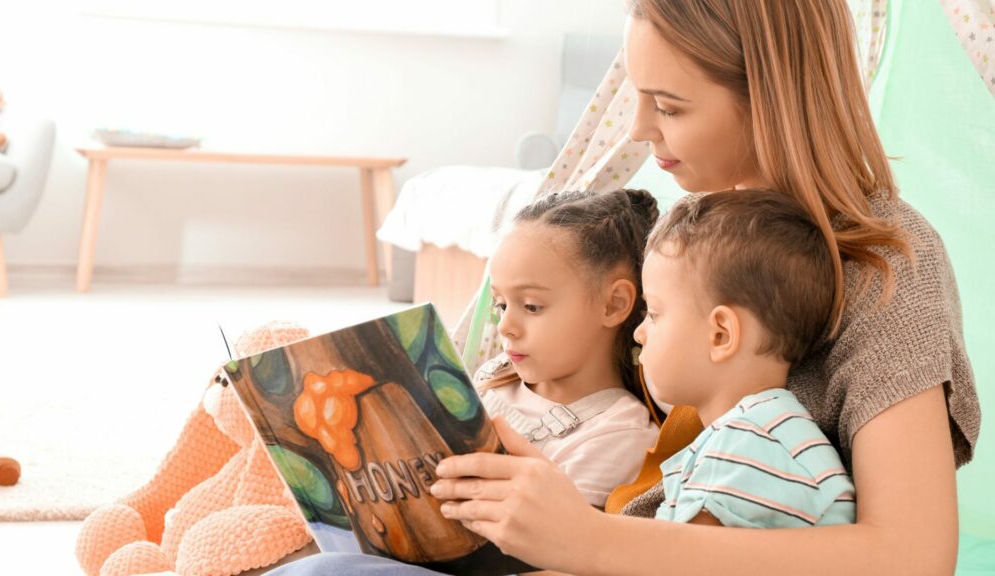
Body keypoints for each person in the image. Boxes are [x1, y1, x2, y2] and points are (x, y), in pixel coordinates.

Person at [268, 1, 980, 574]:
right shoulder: (691, 226)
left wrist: (588, 541)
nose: (639, 131)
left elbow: (912, 556)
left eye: (668, 106)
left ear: (769, 97)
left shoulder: (888, 263)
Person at [636, 189, 854, 528]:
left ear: (721, 334)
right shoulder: (758, 434)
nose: (639, 333)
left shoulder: (747, 445)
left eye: (653, 313)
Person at [473, 188, 660, 510]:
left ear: (614, 304)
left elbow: (558, 545)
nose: (505, 326)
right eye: (501, 304)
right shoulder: (496, 374)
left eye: (531, 306)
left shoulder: (618, 435)